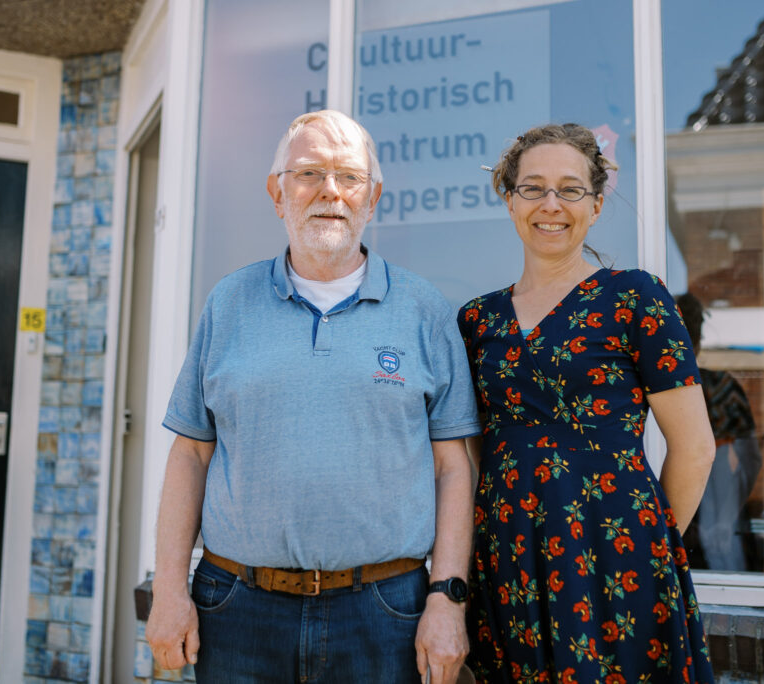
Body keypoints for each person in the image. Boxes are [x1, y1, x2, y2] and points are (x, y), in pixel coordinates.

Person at [145, 110, 480, 684]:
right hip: (236, 608)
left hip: (385, 610)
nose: (330, 191)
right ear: (278, 193)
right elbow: (190, 455)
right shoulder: (229, 303)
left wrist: (448, 599)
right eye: (309, 173)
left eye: (348, 177)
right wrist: (169, 590)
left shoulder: (424, 311)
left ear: (372, 197)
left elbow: (454, 469)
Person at [457, 123, 716, 682]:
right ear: (509, 199)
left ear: (596, 205)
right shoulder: (477, 319)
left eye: (570, 189)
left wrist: (648, 550)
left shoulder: (637, 297)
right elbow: (473, 455)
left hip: (616, 558)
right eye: (533, 188)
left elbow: (695, 448)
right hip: (508, 559)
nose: (551, 204)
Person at [676, 293, 762, 572]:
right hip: (721, 514)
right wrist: (730, 512)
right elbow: (751, 460)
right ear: (699, 340)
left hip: (678, 517)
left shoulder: (643, 388)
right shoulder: (725, 388)